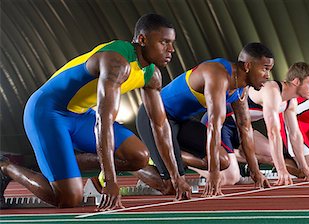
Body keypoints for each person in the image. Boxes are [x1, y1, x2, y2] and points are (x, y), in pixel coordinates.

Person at [0, 13, 190, 210]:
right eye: (164, 42)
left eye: (172, 43)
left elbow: (159, 126)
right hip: (47, 112)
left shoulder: (152, 75)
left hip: (80, 115)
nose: (171, 50)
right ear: (142, 40)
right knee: (68, 199)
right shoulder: (117, 62)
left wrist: (177, 177)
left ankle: (61, 161)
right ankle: (5, 167)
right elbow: (104, 121)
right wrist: (110, 181)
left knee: (139, 156)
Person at [136, 42, 273, 197]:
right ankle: (133, 164)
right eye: (265, 68)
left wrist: (256, 173)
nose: (267, 76)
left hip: (179, 122)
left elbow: (245, 128)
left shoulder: (241, 88)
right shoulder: (217, 74)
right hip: (152, 117)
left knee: (223, 161)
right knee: (171, 188)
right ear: (248, 66)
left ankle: (168, 156)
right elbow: (214, 126)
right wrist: (213, 174)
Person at [199, 62, 309, 186]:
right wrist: (281, 170)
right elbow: (273, 132)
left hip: (242, 128)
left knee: (273, 155)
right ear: (296, 81)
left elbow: (295, 135)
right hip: (222, 124)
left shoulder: (291, 102)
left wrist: (304, 167)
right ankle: (195, 161)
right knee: (231, 179)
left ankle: (236, 157)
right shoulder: (272, 90)